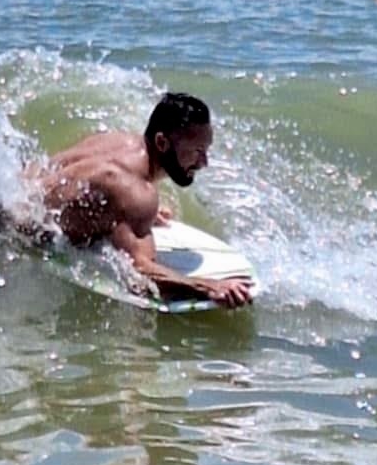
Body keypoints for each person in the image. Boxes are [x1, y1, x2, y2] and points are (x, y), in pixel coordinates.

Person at [31, 92, 253, 308]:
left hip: (15, 199)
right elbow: (139, 274)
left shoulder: (116, 140)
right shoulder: (136, 194)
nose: (204, 162)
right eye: (196, 151)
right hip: (14, 234)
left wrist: (120, 210)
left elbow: (66, 180)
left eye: (206, 150)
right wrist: (208, 287)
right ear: (162, 142)